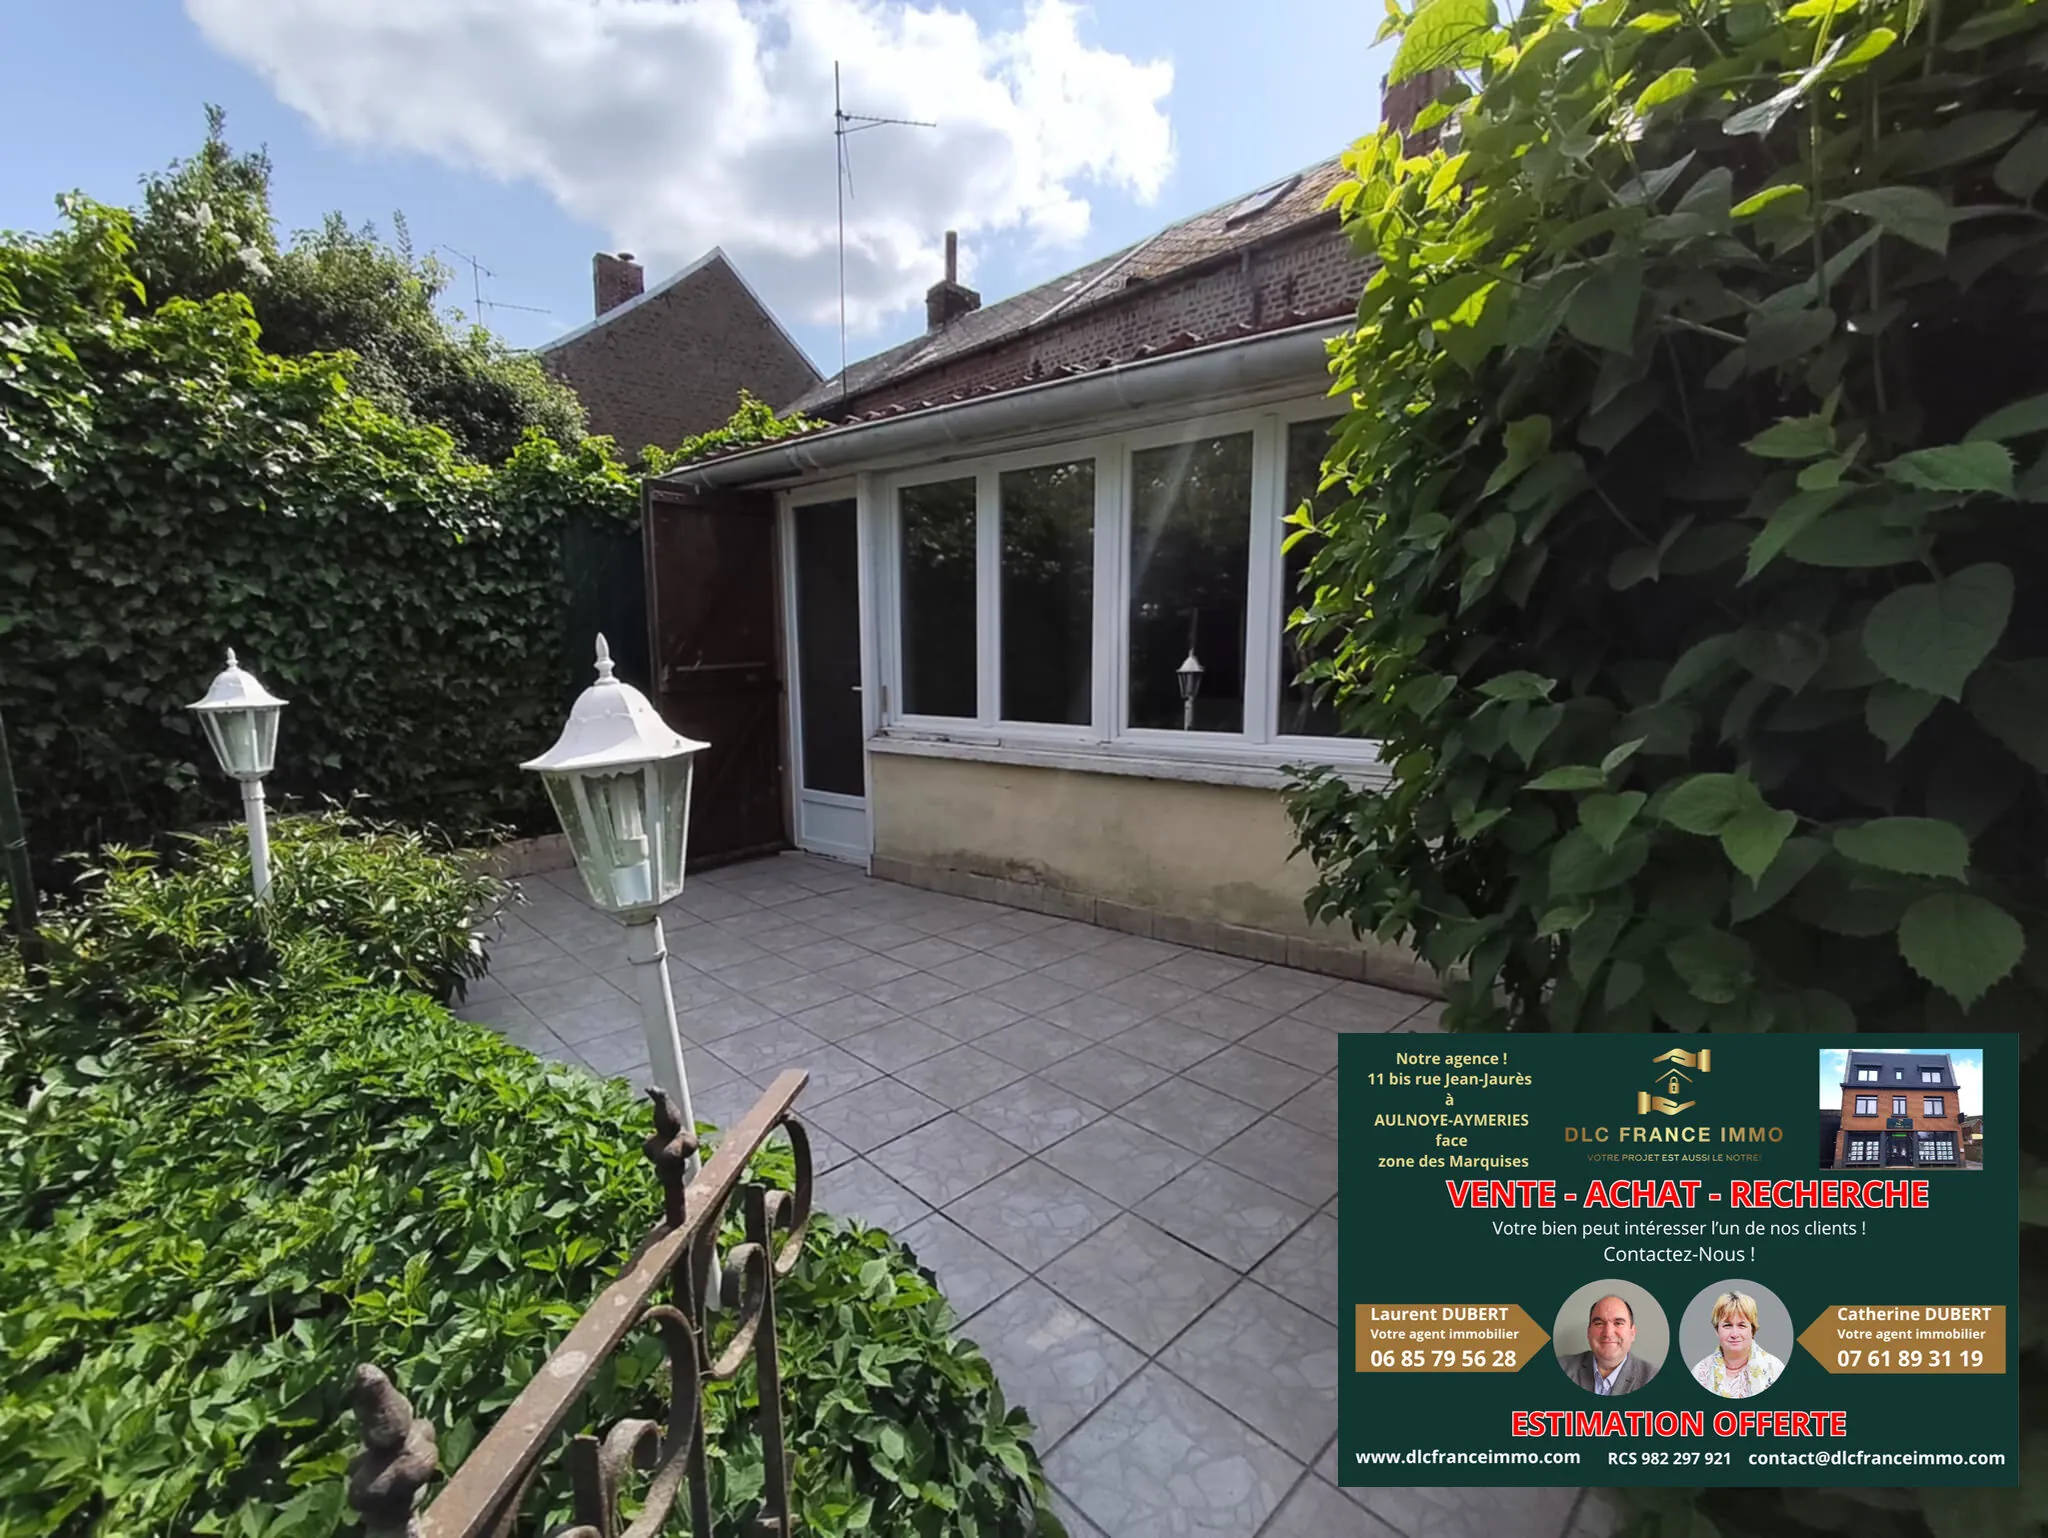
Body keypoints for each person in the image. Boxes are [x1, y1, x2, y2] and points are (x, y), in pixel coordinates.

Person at [1690, 1290, 1785, 1398]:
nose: (1734, 1334)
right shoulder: (1700, 1372)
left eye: (1742, 1325)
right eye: (1727, 1325)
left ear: (1752, 1329)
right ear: (1717, 1330)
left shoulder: (1775, 1369)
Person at [1558, 1294, 1657, 1395]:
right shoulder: (1562, 1367)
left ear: (1632, 1333)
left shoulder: (1652, 1378)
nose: (1608, 1333)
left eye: (1618, 1323)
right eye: (1599, 1323)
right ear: (1588, 1332)